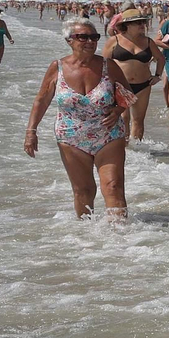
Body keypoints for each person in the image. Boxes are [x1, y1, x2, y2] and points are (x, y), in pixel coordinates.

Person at [23, 17, 130, 219]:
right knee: (83, 191)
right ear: (69, 40)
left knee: (114, 186)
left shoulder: (109, 66)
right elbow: (42, 100)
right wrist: (31, 131)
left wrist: (117, 111)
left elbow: (128, 95)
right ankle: (85, 238)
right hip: (71, 139)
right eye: (83, 37)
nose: (90, 41)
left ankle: (121, 239)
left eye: (94, 37)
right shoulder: (58, 68)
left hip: (108, 135)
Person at [103, 13, 162, 142]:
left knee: (138, 120)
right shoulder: (114, 40)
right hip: (121, 86)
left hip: (143, 85)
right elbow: (104, 63)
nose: (143, 25)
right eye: (138, 23)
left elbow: (160, 58)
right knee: (123, 118)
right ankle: (125, 150)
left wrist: (157, 76)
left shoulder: (147, 41)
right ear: (127, 25)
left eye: (143, 22)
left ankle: (137, 151)